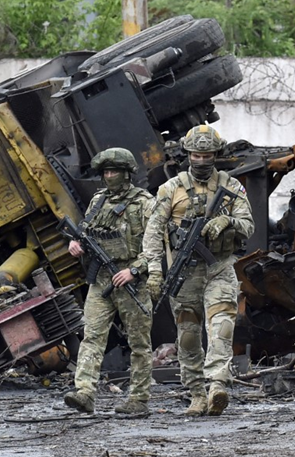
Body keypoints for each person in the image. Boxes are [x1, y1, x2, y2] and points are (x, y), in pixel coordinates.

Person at [142, 125, 254, 416]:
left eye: (207, 155)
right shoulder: (171, 189)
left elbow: (248, 226)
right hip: (185, 273)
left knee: (222, 326)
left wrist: (228, 222)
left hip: (219, 267)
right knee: (188, 336)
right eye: (196, 155)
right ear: (187, 155)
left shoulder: (231, 186)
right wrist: (154, 271)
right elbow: (153, 232)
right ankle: (196, 393)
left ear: (216, 154)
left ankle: (217, 384)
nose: (202, 161)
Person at [64, 148, 154, 415]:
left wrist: (135, 270)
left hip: (131, 281)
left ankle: (138, 399)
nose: (109, 176)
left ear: (127, 173)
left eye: (114, 171)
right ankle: (84, 392)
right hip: (101, 279)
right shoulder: (98, 200)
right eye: (106, 172)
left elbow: (158, 245)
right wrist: (76, 244)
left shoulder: (144, 203)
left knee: (139, 343)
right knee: (92, 336)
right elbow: (85, 232)